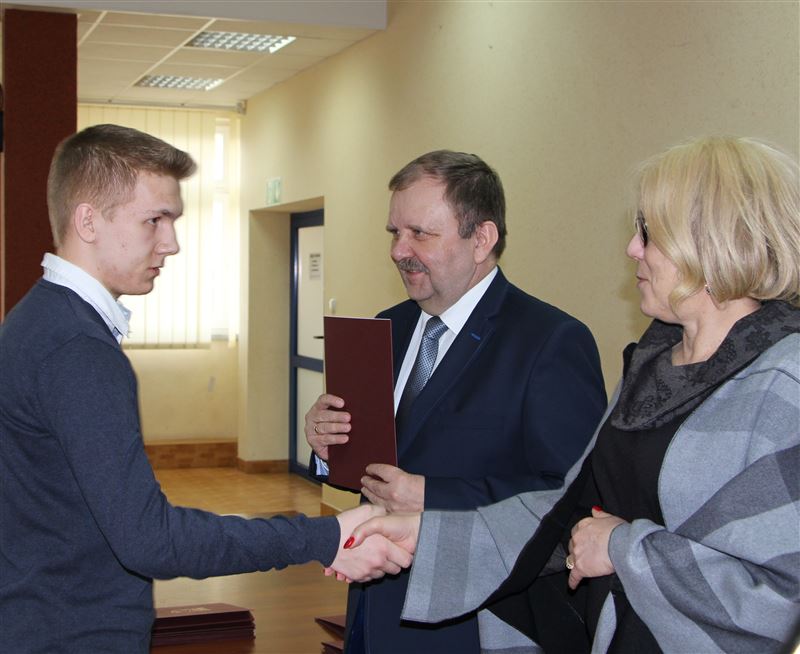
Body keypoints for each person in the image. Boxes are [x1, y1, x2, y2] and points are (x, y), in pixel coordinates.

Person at [348, 135, 800, 653]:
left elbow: (773, 597)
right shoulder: (654, 363)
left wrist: (622, 548)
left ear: (714, 241)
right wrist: (430, 537)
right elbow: (564, 511)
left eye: (648, 233)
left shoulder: (784, 382)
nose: (631, 249)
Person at [0, 124, 411, 654]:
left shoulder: (37, 320)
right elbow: (151, 540)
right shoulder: (77, 349)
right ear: (88, 221)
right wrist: (323, 537)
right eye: (155, 220)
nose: (171, 243)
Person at [305, 150, 607, 652]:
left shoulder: (550, 341)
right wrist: (326, 444)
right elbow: (367, 465)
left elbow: (571, 495)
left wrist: (434, 496)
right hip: (372, 607)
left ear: (482, 239)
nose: (399, 250)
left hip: (475, 617)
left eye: (420, 234)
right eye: (394, 233)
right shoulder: (386, 326)